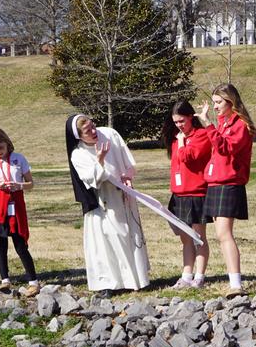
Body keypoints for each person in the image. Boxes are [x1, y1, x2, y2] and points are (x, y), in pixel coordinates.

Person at [65, 114, 150, 295]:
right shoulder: (78, 154)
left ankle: (135, 279)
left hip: (124, 195)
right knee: (110, 239)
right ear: (79, 136)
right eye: (88, 131)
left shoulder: (109, 134)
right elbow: (92, 179)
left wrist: (127, 176)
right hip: (103, 200)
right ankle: (110, 283)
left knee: (128, 235)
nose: (94, 131)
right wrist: (100, 159)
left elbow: (127, 159)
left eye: (93, 126)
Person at [197, 83, 256, 297]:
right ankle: (233, 281)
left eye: (219, 102)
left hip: (228, 183)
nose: (215, 107)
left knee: (224, 234)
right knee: (220, 235)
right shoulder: (223, 123)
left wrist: (207, 125)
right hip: (216, 182)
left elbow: (225, 148)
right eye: (213, 103)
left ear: (231, 101)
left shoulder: (240, 124)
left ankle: (236, 284)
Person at [0, 127, 40, 297]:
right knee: (1, 244)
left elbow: (31, 183)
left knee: (20, 244)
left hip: (16, 205)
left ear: (7, 143)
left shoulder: (19, 159)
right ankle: (5, 279)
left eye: (1, 148)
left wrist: (18, 185)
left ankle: (33, 281)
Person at [161, 100, 212, 289]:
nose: (179, 126)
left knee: (199, 237)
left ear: (191, 117)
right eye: (175, 122)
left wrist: (182, 142)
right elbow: (176, 164)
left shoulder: (201, 136)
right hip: (179, 193)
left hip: (197, 193)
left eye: (182, 121)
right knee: (185, 237)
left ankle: (199, 276)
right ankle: (186, 274)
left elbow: (188, 158)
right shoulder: (177, 140)